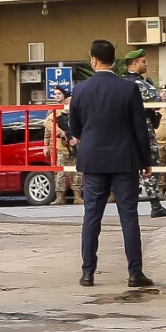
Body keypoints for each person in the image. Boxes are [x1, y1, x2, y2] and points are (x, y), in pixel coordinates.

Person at [64, 38, 153, 290]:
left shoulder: (80, 90)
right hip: (125, 160)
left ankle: (87, 273)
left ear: (93, 60)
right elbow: (139, 128)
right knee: (129, 216)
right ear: (114, 60)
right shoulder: (128, 89)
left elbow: (75, 127)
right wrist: (145, 160)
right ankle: (135, 273)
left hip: (92, 160)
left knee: (91, 216)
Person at [126, 46, 166, 216]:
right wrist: (150, 86)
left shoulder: (123, 82)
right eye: (143, 62)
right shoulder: (139, 83)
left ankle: (130, 205)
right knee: (150, 165)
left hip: (127, 132)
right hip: (143, 129)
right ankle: (155, 205)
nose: (146, 65)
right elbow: (158, 100)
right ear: (134, 64)